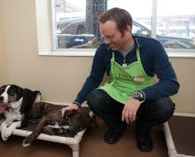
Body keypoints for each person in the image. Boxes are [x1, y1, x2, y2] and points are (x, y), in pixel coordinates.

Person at [61, 7, 179, 152]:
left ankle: (142, 130)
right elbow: (94, 78)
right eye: (104, 36)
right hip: (118, 94)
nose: (105, 41)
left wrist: (138, 96)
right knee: (94, 99)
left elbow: (171, 84)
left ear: (127, 30)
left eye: (110, 36)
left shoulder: (152, 47)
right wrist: (77, 103)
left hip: (143, 98)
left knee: (165, 107)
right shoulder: (104, 50)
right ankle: (117, 126)